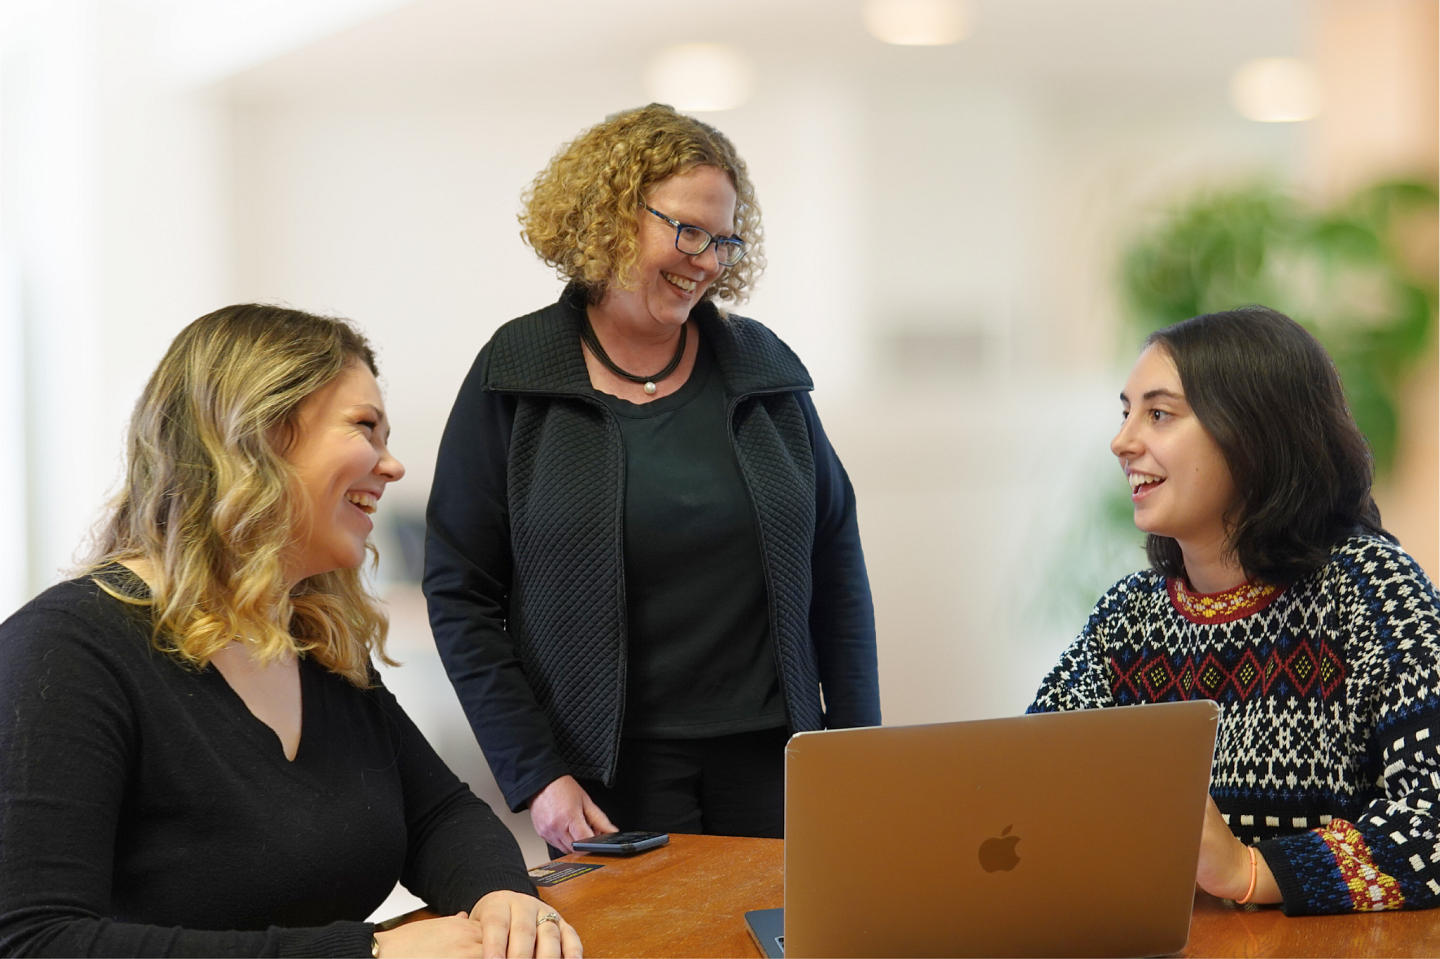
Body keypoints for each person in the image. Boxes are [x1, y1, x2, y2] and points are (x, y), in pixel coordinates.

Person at [0, 305, 582, 957]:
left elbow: (442, 815)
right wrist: (369, 954)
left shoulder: (315, 644)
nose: (392, 467)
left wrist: (499, 895)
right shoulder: (63, 652)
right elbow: (36, 940)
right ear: (258, 437)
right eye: (365, 428)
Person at [424, 103, 881, 855]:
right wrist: (535, 772)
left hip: (777, 763)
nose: (707, 260)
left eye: (725, 240)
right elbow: (460, 594)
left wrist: (858, 748)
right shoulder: (517, 373)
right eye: (688, 231)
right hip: (607, 776)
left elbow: (837, 565)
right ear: (609, 217)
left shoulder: (764, 372)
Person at [1030, 305, 1440, 914]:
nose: (1122, 442)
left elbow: (1431, 825)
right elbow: (1028, 794)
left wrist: (1251, 871)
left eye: (1159, 414)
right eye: (1126, 413)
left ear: (1251, 433)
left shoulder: (1373, 589)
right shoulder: (1127, 617)